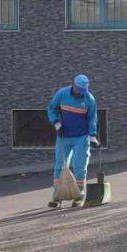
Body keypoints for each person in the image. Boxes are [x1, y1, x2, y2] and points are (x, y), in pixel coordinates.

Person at [46, 74, 99, 208]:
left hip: (81, 137)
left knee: (79, 167)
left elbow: (92, 118)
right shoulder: (62, 94)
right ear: (73, 85)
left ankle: (78, 196)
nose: (81, 93)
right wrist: (56, 122)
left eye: (83, 91)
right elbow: (51, 108)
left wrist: (93, 136)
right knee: (59, 166)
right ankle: (57, 197)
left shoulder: (89, 99)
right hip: (64, 136)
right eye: (79, 90)